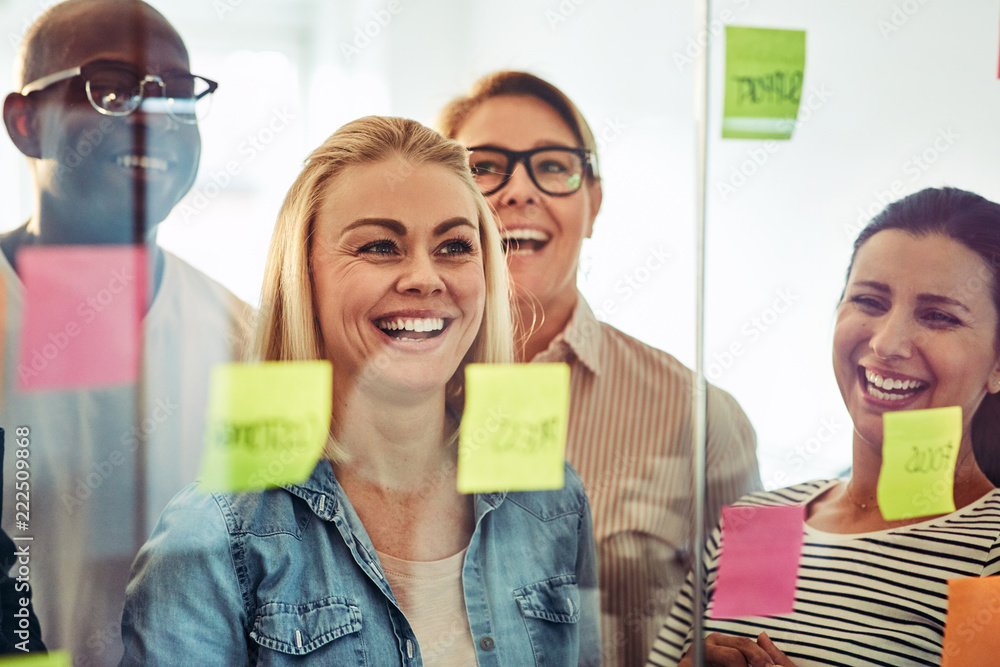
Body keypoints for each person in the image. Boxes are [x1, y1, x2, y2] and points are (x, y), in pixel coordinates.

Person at [119, 116, 601, 665]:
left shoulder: (551, 497)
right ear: (305, 278)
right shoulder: (211, 534)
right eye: (378, 246)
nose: (425, 276)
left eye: (454, 246)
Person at [438, 70, 762, 666]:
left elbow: (766, 624)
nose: (517, 191)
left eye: (554, 165)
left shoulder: (705, 415)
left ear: (594, 203)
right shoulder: (382, 402)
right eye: (483, 167)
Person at [648, 186, 1000, 667]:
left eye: (938, 316)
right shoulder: (760, 524)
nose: (887, 342)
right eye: (870, 301)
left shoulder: (989, 550)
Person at [0, 1, 251, 663]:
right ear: (26, 122)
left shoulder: (244, 338)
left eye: (175, 96)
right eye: (110, 90)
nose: (152, 121)